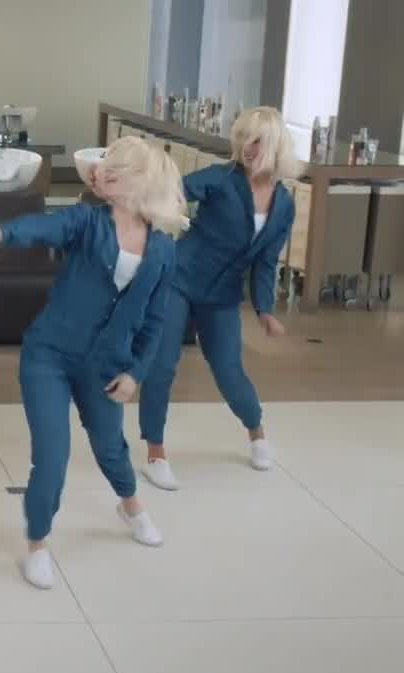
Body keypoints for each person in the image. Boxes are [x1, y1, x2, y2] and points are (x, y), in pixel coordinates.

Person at [0, 136, 188, 590]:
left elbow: (155, 320)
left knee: (110, 447)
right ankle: (38, 544)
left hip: (106, 366)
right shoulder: (87, 221)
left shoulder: (163, 249)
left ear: (139, 181)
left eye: (113, 170)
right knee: (51, 457)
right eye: (104, 168)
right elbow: (43, 227)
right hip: (49, 355)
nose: (102, 175)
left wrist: (135, 373)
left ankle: (130, 505)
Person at [137, 107, 298, 491]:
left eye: (256, 140)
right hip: (178, 282)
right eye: (242, 138)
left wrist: (264, 310)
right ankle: (155, 454)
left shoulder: (284, 204)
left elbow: (265, 261)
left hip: (222, 297)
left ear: (275, 145)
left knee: (228, 370)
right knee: (162, 366)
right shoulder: (221, 178)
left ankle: (257, 433)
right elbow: (174, 192)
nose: (247, 148)